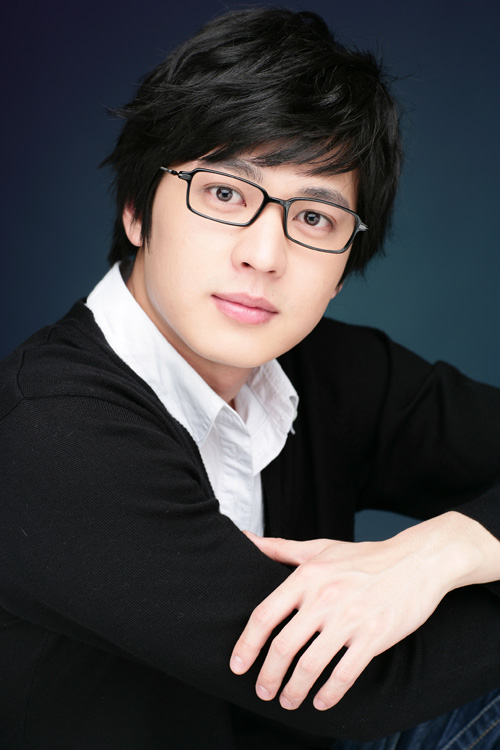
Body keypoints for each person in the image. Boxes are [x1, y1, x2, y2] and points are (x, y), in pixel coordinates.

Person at [1, 7, 500, 749]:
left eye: (315, 218)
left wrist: (451, 549)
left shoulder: (329, 367)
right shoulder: (50, 433)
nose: (264, 256)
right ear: (136, 210)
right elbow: (348, 688)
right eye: (226, 193)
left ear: (343, 269)